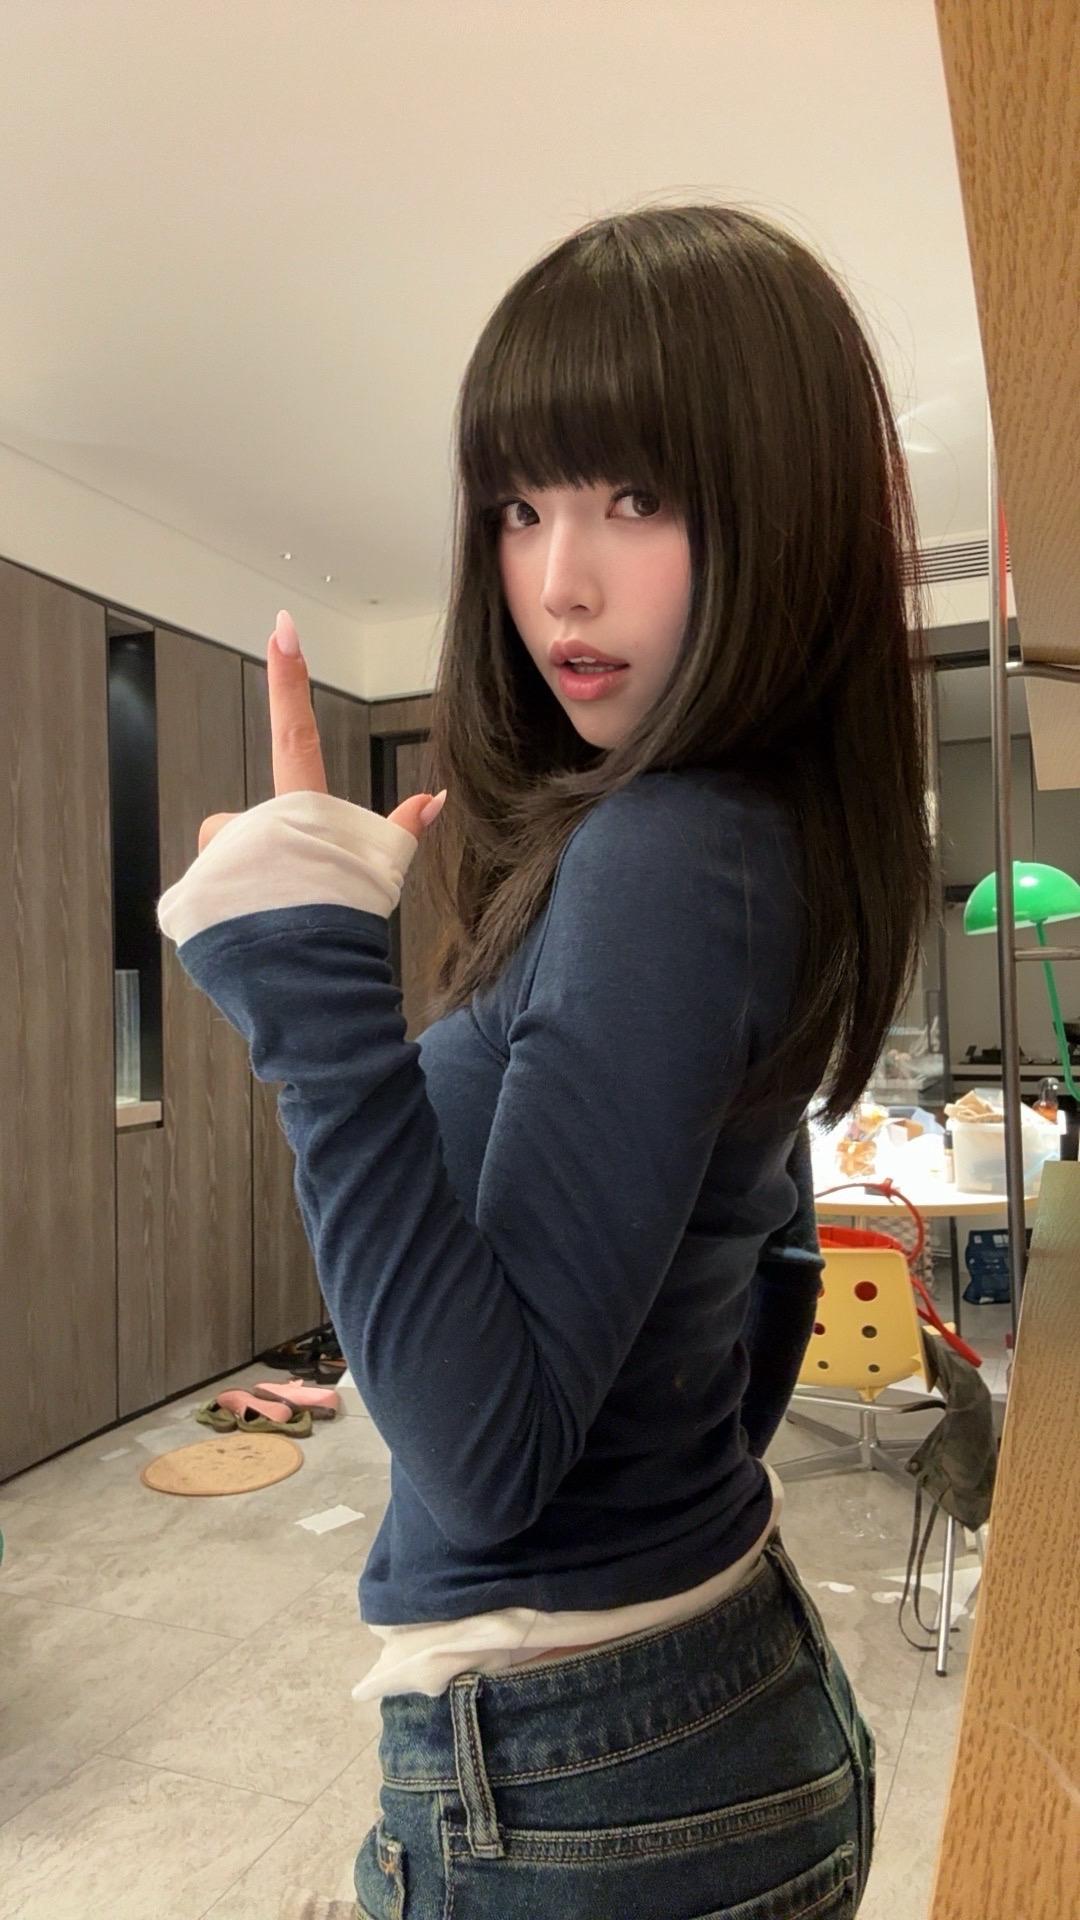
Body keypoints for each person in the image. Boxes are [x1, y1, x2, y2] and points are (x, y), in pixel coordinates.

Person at [157, 202, 932, 1917]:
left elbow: (484, 1464)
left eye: (637, 498)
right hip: (683, 1715)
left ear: (782, 511)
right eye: (521, 506)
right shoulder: (741, 838)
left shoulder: (669, 851)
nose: (559, 582)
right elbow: (773, 1265)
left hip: (588, 1791)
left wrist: (308, 984)